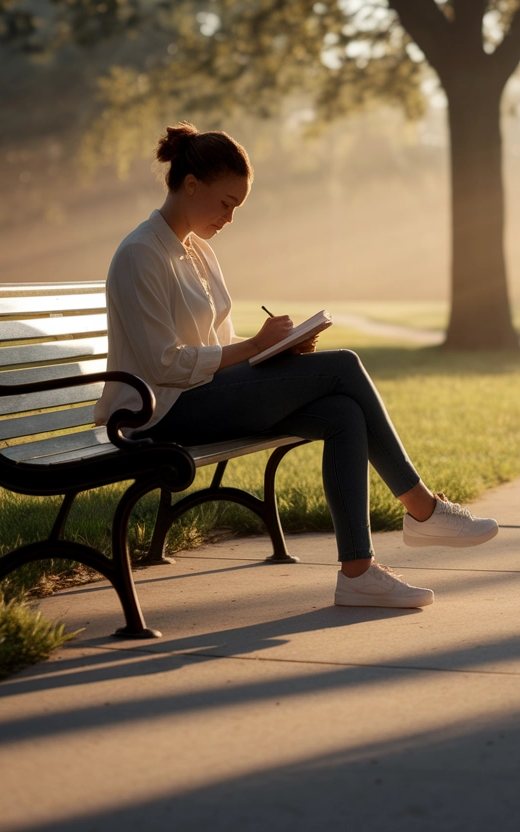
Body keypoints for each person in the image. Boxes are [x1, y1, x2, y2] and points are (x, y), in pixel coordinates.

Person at [97, 121, 499, 608]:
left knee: (343, 414)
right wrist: (252, 350)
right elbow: (164, 366)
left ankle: (358, 573)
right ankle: (422, 508)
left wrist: (273, 350)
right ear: (190, 185)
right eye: (226, 203)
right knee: (344, 366)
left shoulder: (198, 253)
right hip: (156, 414)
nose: (229, 218)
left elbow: (216, 345)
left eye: (236, 207)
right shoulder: (142, 254)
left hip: (197, 396)